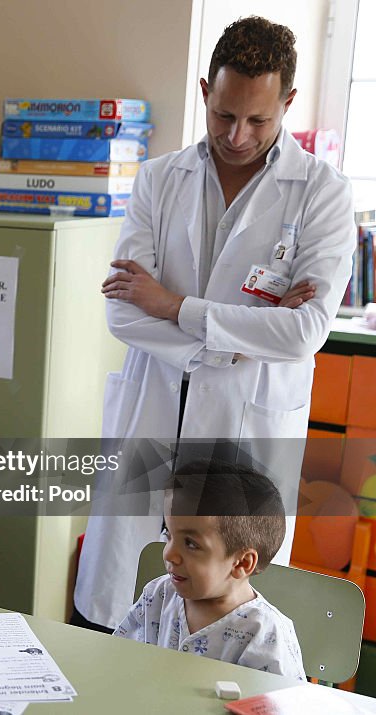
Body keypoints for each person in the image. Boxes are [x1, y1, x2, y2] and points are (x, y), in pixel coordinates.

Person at [79, 16, 356, 631]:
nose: (237, 135)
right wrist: (237, 340)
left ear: (287, 103)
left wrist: (176, 307)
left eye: (258, 120)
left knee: (224, 630)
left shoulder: (322, 194)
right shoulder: (157, 179)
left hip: (243, 435)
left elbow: (305, 333)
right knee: (120, 619)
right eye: (224, 114)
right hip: (153, 417)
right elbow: (124, 308)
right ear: (205, 90)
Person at [114, 460, 305, 679]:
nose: (169, 553)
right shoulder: (157, 596)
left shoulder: (264, 633)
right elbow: (118, 660)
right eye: (169, 534)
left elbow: (282, 705)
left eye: (191, 544)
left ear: (242, 564)